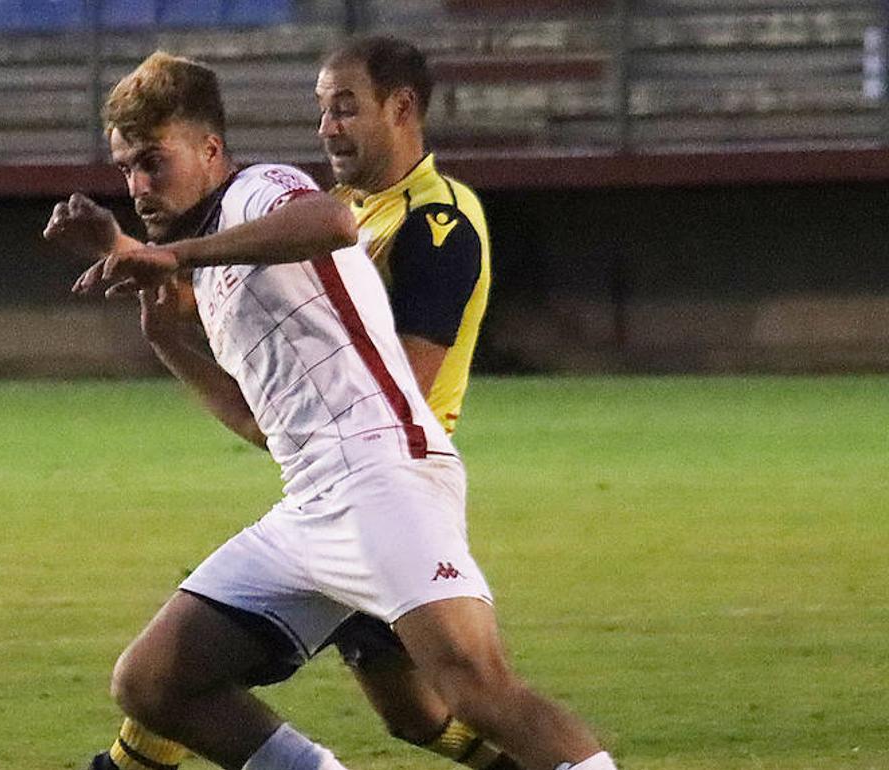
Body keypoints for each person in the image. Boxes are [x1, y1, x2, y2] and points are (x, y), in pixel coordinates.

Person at [45, 51, 618, 770]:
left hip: (386, 480)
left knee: (478, 692)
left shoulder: (258, 189)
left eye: (152, 163)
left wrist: (178, 257)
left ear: (211, 149)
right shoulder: (221, 266)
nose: (138, 186)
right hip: (312, 503)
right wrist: (166, 338)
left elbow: (330, 220)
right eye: (127, 169)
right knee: (154, 682)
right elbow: (265, 428)